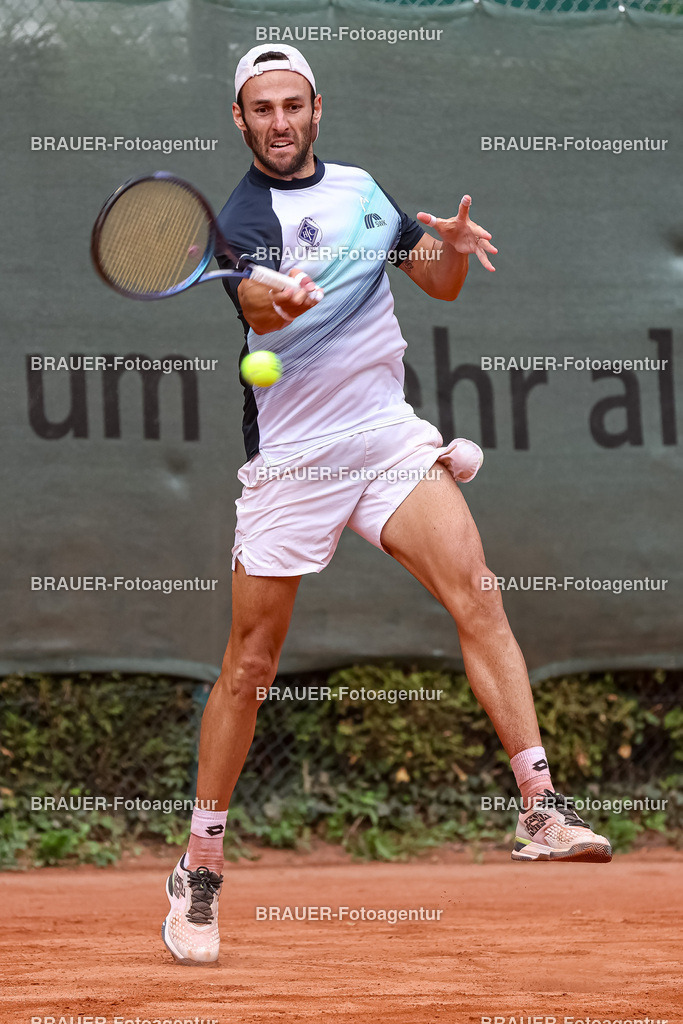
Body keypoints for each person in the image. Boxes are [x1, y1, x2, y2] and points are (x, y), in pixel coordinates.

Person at [161, 44, 611, 967]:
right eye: (262, 110)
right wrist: (276, 295)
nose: (279, 122)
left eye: (293, 105)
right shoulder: (242, 218)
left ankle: (540, 807)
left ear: (317, 109)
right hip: (291, 463)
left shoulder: (365, 188)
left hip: (386, 440)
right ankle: (199, 865)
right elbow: (256, 304)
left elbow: (435, 283)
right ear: (239, 122)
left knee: (477, 593)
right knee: (250, 665)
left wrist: (444, 246)